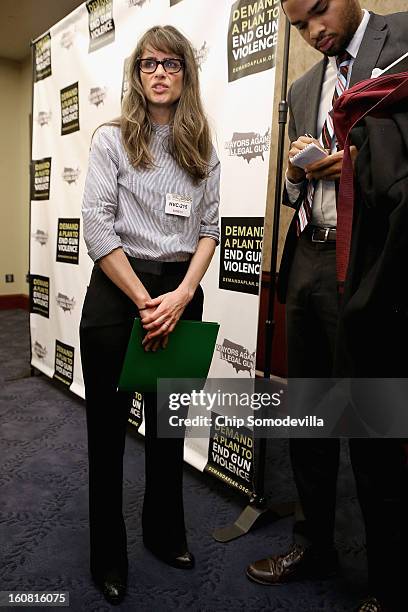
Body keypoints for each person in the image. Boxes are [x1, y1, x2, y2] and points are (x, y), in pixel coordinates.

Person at [246, 2, 408, 611]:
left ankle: (391, 582)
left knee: (371, 429)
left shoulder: (404, 37)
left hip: (367, 265)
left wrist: (359, 166)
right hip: (309, 262)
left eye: (318, 11)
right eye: (297, 25)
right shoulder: (303, 84)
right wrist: (297, 172)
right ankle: (312, 544)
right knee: (308, 421)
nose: (313, 32)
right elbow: (293, 189)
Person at [79, 25, 220, 605]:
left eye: (171, 63)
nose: (159, 72)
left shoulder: (202, 148)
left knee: (168, 432)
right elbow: (96, 226)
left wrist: (182, 296)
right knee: (107, 437)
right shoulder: (112, 140)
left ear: (186, 72)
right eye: (148, 64)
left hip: (180, 296)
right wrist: (145, 301)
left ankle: (165, 536)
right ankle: (107, 557)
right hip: (120, 295)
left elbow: (209, 230)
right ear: (137, 75)